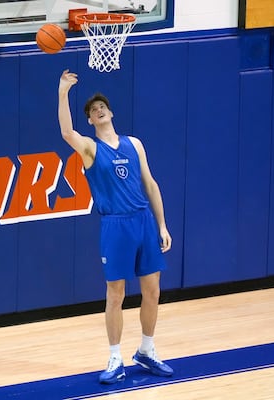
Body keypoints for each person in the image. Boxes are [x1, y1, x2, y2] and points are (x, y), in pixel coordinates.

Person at [57, 69, 174, 384]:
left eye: (102, 107)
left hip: (144, 221)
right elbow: (67, 132)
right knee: (115, 293)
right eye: (93, 111)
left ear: (111, 113)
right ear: (91, 122)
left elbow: (150, 184)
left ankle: (147, 350)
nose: (99, 110)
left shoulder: (134, 144)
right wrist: (63, 92)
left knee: (152, 290)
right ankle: (114, 357)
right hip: (115, 225)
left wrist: (162, 225)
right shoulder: (90, 149)